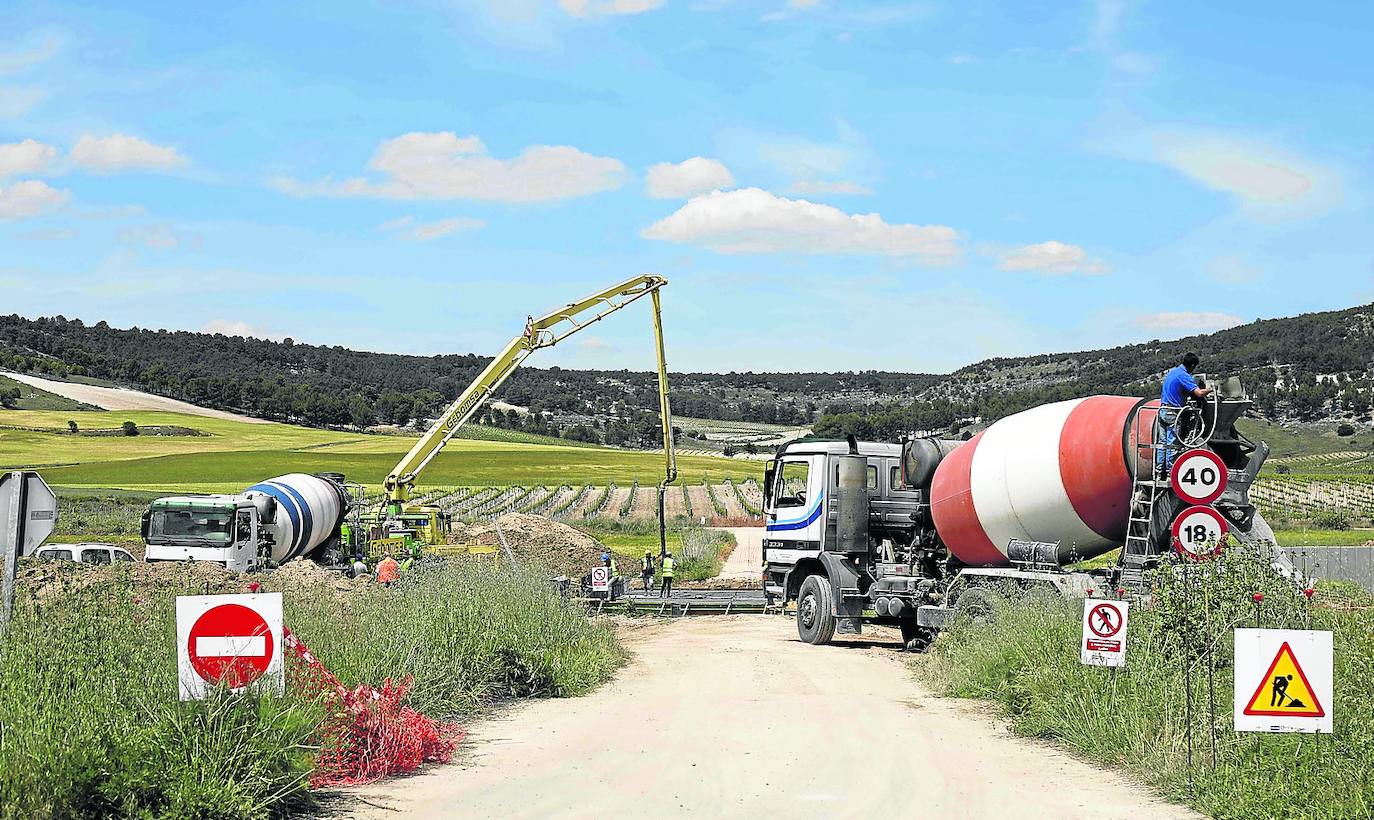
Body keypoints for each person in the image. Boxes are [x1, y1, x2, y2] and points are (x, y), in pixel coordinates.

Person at [1157, 352, 1213, 476]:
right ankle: (1172, 472)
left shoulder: (1172, 372)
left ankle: (1159, 471)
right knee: (1172, 443)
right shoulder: (1184, 375)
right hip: (1173, 413)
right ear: (1192, 365)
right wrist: (1210, 388)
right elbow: (1198, 393)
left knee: (1162, 443)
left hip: (1162, 410)